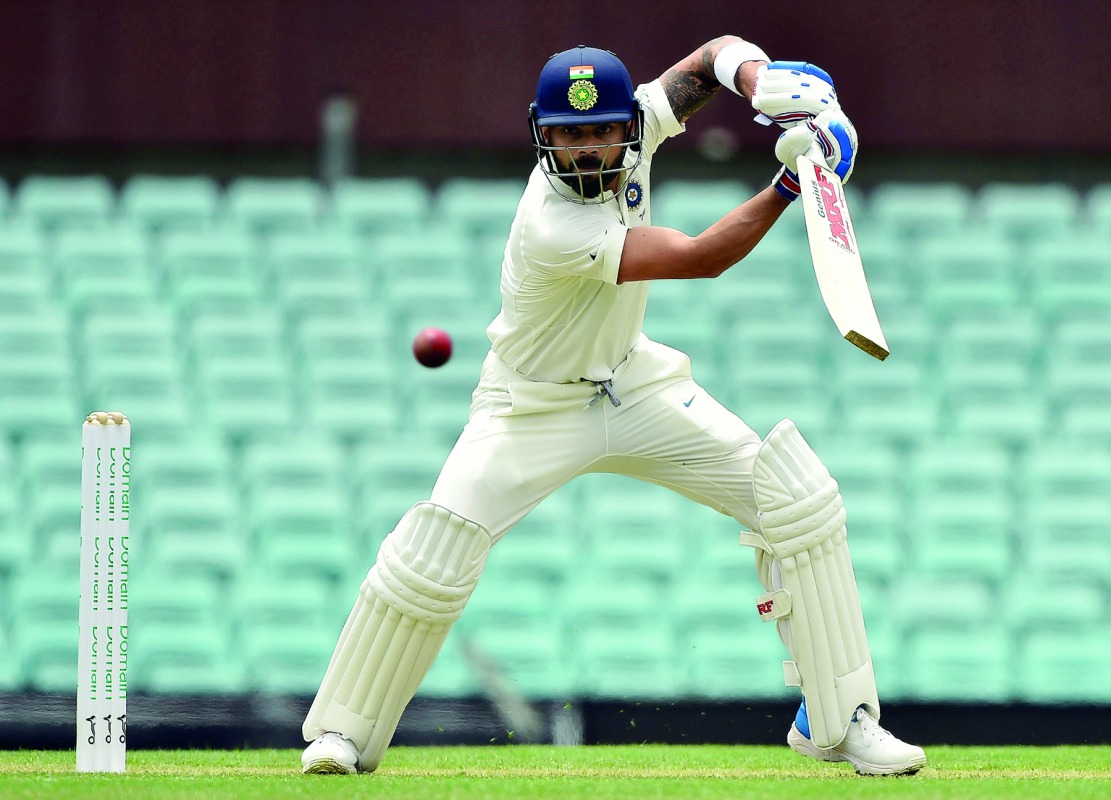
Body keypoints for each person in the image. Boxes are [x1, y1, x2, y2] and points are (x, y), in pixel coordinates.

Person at [300, 36, 926, 778]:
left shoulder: (637, 132)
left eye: (603, 131)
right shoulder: (553, 224)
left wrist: (760, 82)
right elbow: (699, 258)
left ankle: (840, 721)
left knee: (796, 496)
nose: (591, 151)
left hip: (635, 383)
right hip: (527, 408)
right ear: (544, 136)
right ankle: (343, 733)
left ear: (628, 125)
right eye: (571, 134)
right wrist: (792, 183)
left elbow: (707, 61)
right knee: (431, 558)